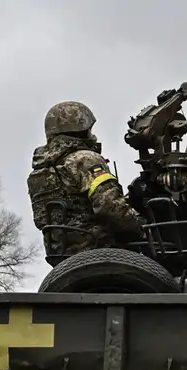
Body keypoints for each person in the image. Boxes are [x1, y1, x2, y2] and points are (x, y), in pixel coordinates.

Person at [28, 101, 145, 263]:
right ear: (81, 130)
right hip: (100, 248)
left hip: (62, 255)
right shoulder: (84, 159)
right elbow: (109, 206)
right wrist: (140, 228)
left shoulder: (41, 171)